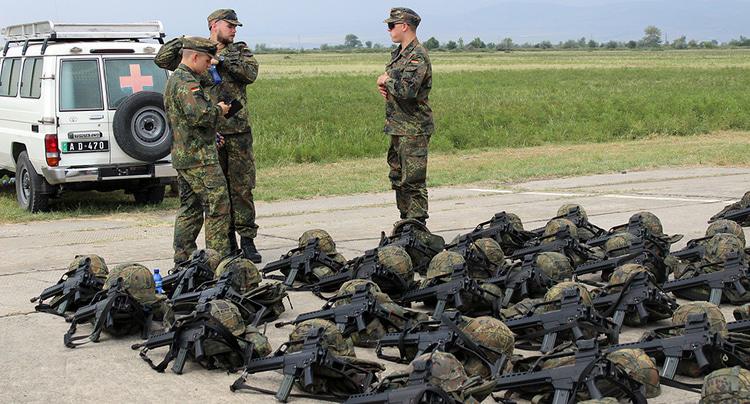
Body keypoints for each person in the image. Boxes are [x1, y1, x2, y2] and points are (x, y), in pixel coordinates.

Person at [164, 37, 232, 265]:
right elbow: (200, 116)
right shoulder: (187, 83)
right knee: (218, 206)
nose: (209, 65)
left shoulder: (176, 79)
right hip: (200, 158)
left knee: (190, 209)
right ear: (194, 57)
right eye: (207, 60)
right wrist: (220, 110)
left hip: (184, 156)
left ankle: (183, 259)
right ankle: (218, 260)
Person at [206, 9, 263, 263]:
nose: (234, 30)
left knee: (242, 187)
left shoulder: (239, 51)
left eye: (235, 26)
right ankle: (226, 240)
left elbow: (250, 74)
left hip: (238, 131)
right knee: (219, 190)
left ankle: (247, 239)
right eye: (229, 26)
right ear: (214, 25)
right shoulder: (200, 51)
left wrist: (222, 61)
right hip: (211, 131)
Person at [377, 7, 434, 225]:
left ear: (404, 26)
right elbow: (396, 84)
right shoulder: (399, 54)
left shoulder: (417, 56)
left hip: (414, 128)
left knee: (413, 181)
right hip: (398, 126)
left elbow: (408, 90)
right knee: (398, 177)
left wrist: (386, 80)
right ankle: (405, 222)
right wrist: (385, 85)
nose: (389, 30)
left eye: (392, 25)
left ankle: (417, 226)